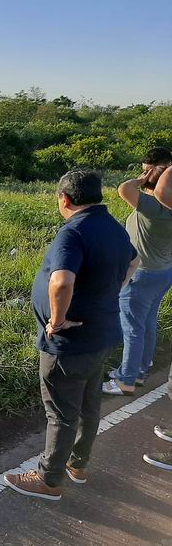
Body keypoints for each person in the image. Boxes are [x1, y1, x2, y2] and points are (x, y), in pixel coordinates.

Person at [3, 170, 139, 500]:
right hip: (101, 333)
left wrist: (57, 321)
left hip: (70, 342)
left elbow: (61, 281)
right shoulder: (112, 225)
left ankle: (49, 480)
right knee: (89, 404)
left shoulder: (73, 232)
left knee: (62, 412)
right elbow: (135, 261)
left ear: (64, 198)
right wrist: (107, 293)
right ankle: (77, 465)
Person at [103, 147, 172, 396]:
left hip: (140, 275)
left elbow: (124, 188)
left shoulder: (153, 206)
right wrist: (157, 175)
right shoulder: (164, 204)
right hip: (162, 272)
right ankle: (139, 369)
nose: (143, 175)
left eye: (147, 170)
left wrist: (144, 179)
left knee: (132, 328)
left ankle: (127, 380)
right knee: (147, 324)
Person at [139, 163, 172, 471]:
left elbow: (159, 193)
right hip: (163, 273)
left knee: (138, 324)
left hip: (148, 273)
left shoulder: (159, 209)